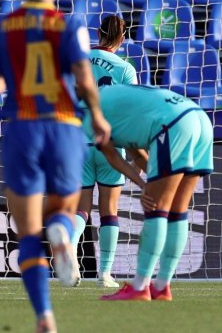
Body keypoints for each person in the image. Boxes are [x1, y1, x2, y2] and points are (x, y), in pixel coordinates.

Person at [0, 0, 111, 333]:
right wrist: (98, 116)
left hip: (21, 127)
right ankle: (64, 235)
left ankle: (44, 317)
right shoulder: (69, 24)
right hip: (65, 126)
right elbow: (84, 80)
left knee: (28, 231)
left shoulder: (1, 25)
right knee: (65, 211)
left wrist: (7, 80)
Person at [87, 85, 213, 301]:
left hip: (171, 124)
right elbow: (136, 156)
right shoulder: (111, 100)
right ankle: (162, 286)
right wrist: (144, 184)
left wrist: (145, 186)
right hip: (198, 118)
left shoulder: (84, 114)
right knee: (177, 211)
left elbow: (113, 157)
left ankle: (139, 287)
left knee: (156, 209)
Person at [71, 15, 138, 288]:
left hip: (78, 142)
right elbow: (131, 111)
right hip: (111, 143)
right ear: (122, 38)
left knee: (80, 209)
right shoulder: (125, 69)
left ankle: (71, 260)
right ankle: (105, 274)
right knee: (109, 211)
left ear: (97, 33)